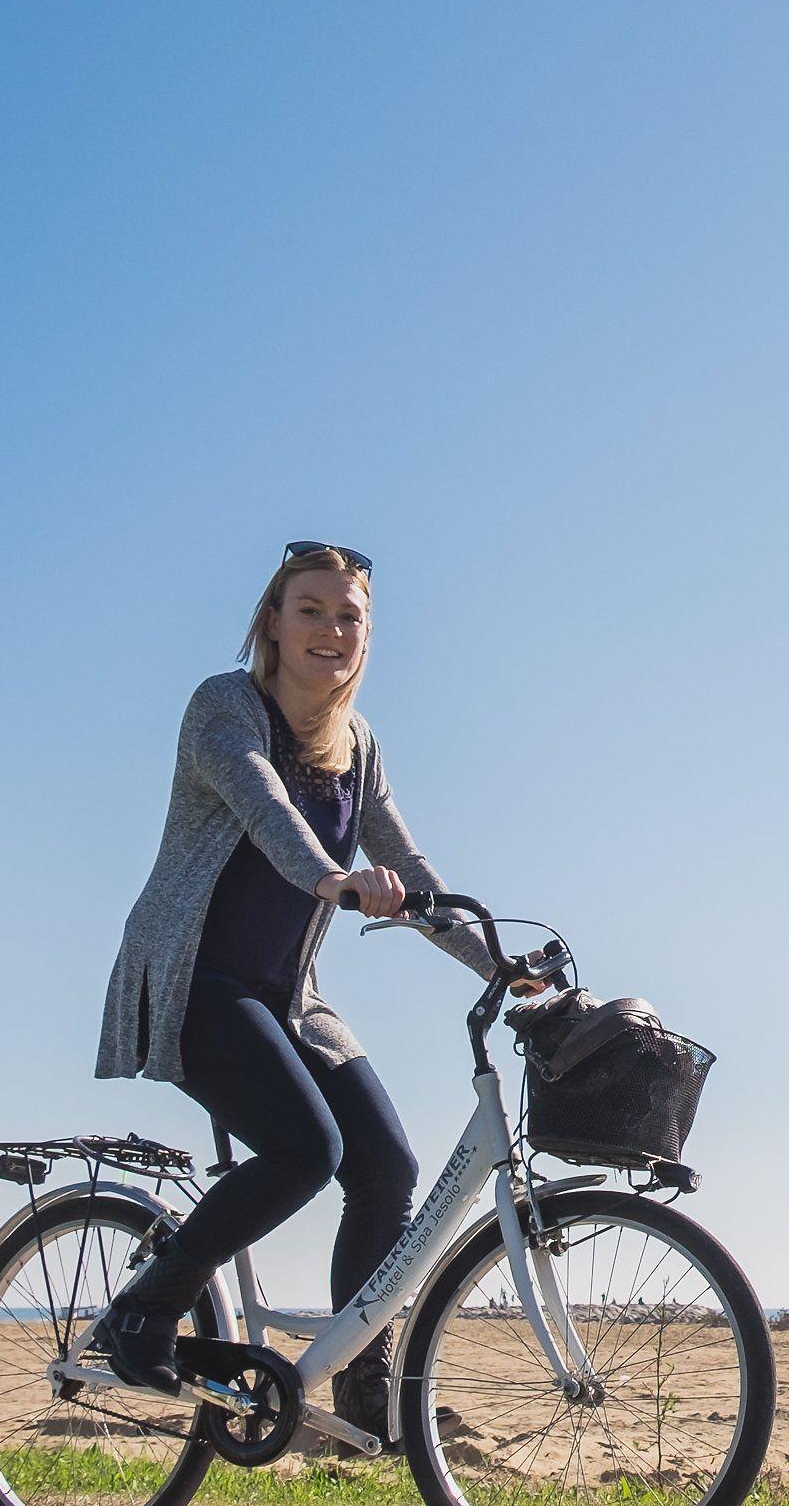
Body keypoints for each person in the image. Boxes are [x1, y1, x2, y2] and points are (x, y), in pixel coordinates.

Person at [86, 541, 490, 1441]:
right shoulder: (224, 707)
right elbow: (265, 809)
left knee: (386, 1164)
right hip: (191, 979)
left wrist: (499, 962)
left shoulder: (360, 744)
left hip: (286, 994)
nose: (331, 630)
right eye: (310, 610)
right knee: (306, 1149)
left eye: (350, 616)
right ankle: (144, 1311)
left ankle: (358, 1372)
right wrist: (333, 882)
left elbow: (408, 865)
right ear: (271, 620)